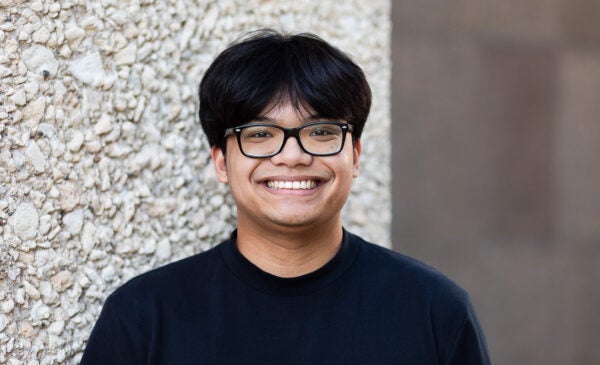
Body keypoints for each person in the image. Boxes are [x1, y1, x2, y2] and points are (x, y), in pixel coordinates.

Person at [81, 29, 491, 364]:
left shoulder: (434, 311)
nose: (293, 156)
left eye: (321, 132)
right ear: (221, 162)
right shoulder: (144, 318)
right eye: (260, 135)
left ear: (356, 155)